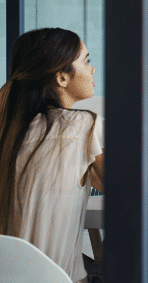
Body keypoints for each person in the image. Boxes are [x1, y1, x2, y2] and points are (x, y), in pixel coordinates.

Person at [0, 28, 104, 283]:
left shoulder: (8, 129)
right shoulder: (85, 126)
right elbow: (128, 195)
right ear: (61, 78)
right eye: (86, 61)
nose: (92, 70)